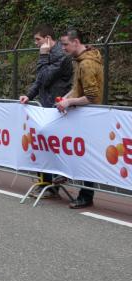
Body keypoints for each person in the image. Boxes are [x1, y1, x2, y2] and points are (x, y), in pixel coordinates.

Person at [19, 24, 73, 198]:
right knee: (43, 146)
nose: (36, 43)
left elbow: (45, 77)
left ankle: (55, 182)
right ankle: (47, 184)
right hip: (46, 106)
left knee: (56, 146)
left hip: (57, 109)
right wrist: (29, 95)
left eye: (38, 39)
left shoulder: (61, 55)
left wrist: (43, 56)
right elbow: (39, 81)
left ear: (48, 39)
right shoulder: (49, 54)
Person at [57, 28, 104, 209]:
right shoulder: (80, 60)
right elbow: (79, 89)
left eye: (65, 44)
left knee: (86, 156)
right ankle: (68, 175)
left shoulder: (86, 64)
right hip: (82, 115)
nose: (63, 48)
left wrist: (69, 103)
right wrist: (66, 97)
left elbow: (92, 96)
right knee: (76, 150)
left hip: (89, 116)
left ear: (76, 42)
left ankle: (86, 195)